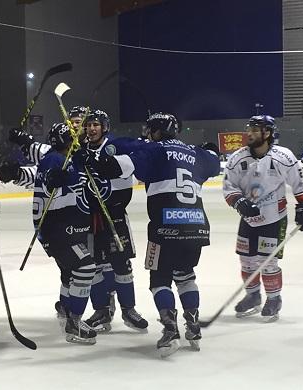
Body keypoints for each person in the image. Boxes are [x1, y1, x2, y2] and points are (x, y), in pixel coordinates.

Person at [74, 112, 220, 357]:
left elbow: (115, 167)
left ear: (156, 131)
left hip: (166, 227)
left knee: (160, 280)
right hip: (197, 226)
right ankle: (193, 324)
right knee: (185, 276)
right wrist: (211, 149)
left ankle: (170, 329)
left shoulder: (154, 150)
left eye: (150, 131)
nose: (147, 136)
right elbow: (215, 160)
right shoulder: (195, 153)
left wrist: (90, 159)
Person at [223, 115, 303, 323]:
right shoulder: (237, 158)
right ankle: (253, 296)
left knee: (267, 262)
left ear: (268, 133)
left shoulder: (283, 156)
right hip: (248, 219)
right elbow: (229, 187)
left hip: (275, 218)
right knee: (246, 261)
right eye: (250, 129)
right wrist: (239, 202)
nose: (250, 133)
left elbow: (299, 184)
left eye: (256, 130)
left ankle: (274, 299)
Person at [75, 109, 148, 333]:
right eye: (88, 125)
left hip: (115, 215)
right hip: (91, 218)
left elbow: (132, 163)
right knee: (95, 267)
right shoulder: (80, 149)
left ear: (104, 126)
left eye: (95, 124)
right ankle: (102, 311)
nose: (91, 128)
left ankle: (129, 310)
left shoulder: (118, 145)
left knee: (122, 264)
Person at [34, 122, 97, 344]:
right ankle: (74, 324)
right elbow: (49, 184)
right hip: (60, 230)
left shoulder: (68, 159)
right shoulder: (55, 160)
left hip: (68, 228)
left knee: (71, 273)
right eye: (72, 138)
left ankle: (66, 309)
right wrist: (53, 181)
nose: (76, 141)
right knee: (85, 268)